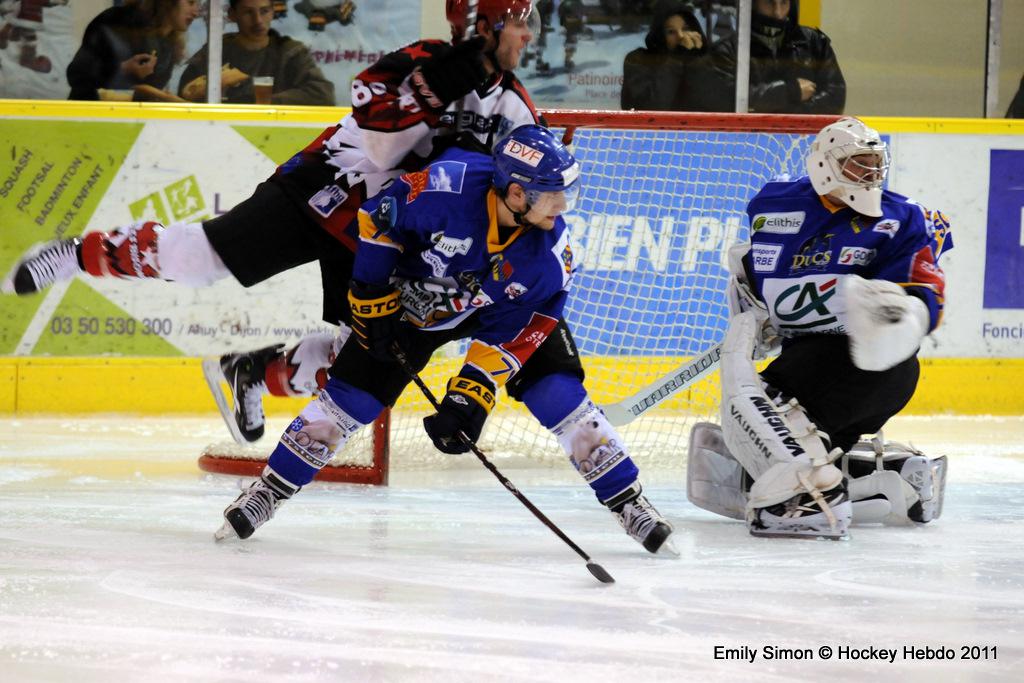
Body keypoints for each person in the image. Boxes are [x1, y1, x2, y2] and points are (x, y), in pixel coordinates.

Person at [3, 1, 676, 554]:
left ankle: (255, 370)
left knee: (369, 351)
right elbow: (372, 120)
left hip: (405, 236)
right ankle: (80, 255)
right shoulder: (420, 58)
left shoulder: (515, 108)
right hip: (333, 192)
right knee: (203, 259)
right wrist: (440, 79)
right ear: (484, 23)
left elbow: (509, 185)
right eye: (519, 22)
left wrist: (473, 375)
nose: (529, 36)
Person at [211, 125, 673, 555]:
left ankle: (627, 500)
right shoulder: (446, 186)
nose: (562, 206)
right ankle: (267, 492)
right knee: (350, 400)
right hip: (414, 303)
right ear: (516, 193)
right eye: (552, 195)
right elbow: (378, 218)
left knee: (558, 393)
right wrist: (371, 292)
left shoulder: (549, 257)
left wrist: (474, 391)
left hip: (501, 310)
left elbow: (524, 325)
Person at [686, 117, 951, 540]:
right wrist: (755, 301)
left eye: (875, 164)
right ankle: (879, 477)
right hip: (806, 361)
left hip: (863, 365)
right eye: (857, 163)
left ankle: (807, 497)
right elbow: (761, 264)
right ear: (825, 165)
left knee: (767, 409)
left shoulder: (902, 218)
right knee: (777, 440)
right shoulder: (774, 205)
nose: (870, 174)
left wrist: (910, 313)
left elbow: (925, 288)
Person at [177, 0, 334, 105]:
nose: (258, 20)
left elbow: (323, 94)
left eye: (264, 11)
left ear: (272, 12)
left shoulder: (291, 52)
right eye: (248, 12)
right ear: (232, 15)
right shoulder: (215, 51)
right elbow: (184, 96)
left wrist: (261, 102)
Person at [706, 0, 845, 114]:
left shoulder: (814, 42)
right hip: (748, 136)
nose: (777, 12)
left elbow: (835, 98)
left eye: (784, 2)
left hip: (804, 135)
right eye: (769, 2)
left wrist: (787, 114)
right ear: (753, 4)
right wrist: (790, 92)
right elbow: (725, 99)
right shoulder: (729, 49)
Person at [66, 0, 201, 101]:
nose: (196, 13)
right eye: (190, 2)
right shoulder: (117, 22)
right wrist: (122, 69)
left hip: (130, 123)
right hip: (89, 118)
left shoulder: (168, 44)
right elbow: (76, 74)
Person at [620, 1, 716, 111]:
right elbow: (651, 108)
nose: (681, 36)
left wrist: (697, 61)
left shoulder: (710, 61)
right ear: (661, 36)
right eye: (671, 32)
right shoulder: (640, 60)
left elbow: (718, 106)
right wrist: (676, 60)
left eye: (685, 29)